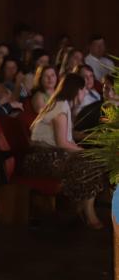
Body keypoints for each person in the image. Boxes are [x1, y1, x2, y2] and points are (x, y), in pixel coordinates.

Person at [24, 73, 108, 229]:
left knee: (94, 162)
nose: (85, 94)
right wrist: (83, 151)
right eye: (84, 91)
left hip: (51, 154)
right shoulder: (60, 107)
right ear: (77, 90)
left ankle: (81, 208)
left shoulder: (62, 104)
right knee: (89, 164)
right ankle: (85, 211)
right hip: (41, 158)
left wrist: (85, 141)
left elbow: (67, 137)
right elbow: (63, 142)